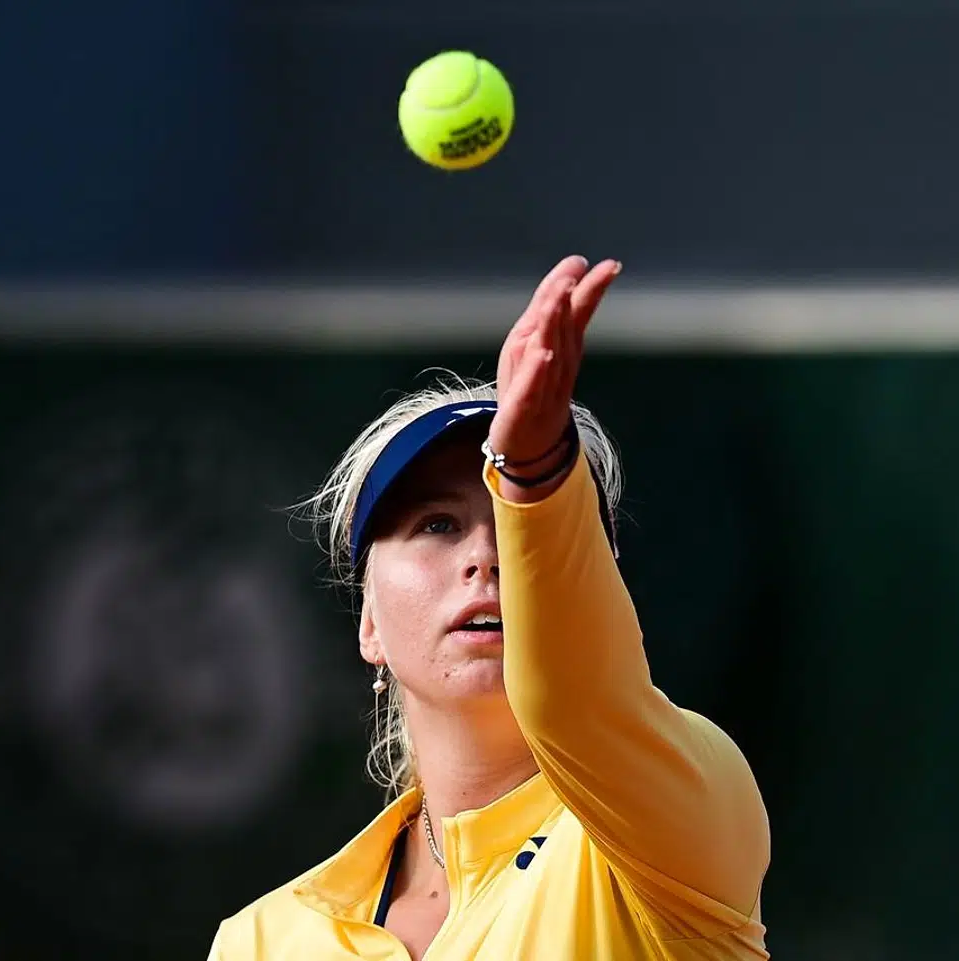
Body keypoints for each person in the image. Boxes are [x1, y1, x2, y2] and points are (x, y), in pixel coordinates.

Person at [207, 256, 770, 959]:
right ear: (370, 622)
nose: (486, 556)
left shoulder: (687, 813)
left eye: (514, 527)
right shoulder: (261, 941)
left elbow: (576, 703)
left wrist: (536, 473)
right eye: (437, 524)